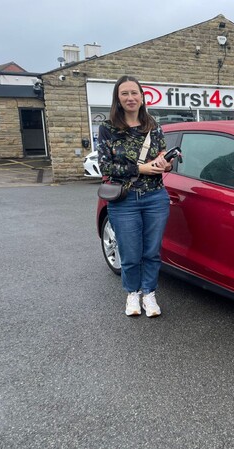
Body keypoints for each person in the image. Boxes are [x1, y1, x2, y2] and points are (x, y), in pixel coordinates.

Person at [98, 75, 174, 317]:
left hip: (155, 197)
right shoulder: (108, 128)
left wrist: (166, 165)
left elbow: (163, 159)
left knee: (152, 251)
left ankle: (149, 293)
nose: (130, 97)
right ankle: (133, 293)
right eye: (125, 94)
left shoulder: (154, 125)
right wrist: (140, 168)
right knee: (130, 252)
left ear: (142, 97)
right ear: (118, 99)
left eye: (134, 93)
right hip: (124, 200)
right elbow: (105, 167)